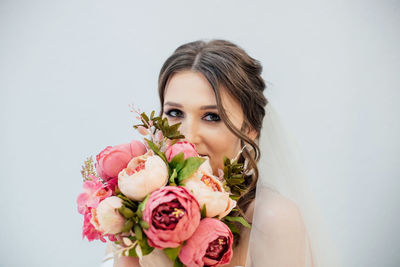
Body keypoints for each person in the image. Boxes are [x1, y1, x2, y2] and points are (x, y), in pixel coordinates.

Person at [109, 39, 328, 267]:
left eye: (212, 117)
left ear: (249, 129)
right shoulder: (142, 210)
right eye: (175, 113)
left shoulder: (273, 219)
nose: (188, 136)